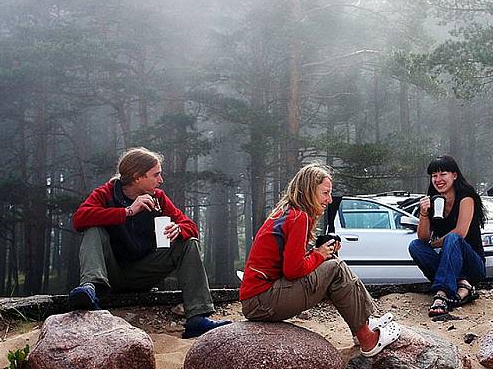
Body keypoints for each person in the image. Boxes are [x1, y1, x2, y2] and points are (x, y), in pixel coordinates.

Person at [68, 147, 231, 339]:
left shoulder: (158, 198)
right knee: (93, 229)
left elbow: (190, 226)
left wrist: (179, 229)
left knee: (189, 242)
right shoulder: (106, 194)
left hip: (144, 273)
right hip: (110, 274)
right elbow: (79, 219)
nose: (160, 180)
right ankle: (90, 288)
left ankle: (197, 317)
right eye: (156, 175)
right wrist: (127, 211)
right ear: (137, 177)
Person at [239, 163, 400, 357]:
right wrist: (319, 254)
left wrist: (320, 254)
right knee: (336, 267)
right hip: (261, 301)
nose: (329, 200)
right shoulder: (298, 217)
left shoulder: (288, 212)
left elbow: (288, 265)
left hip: (257, 299)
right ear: (308, 191)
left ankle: (364, 322)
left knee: (331, 263)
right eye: (325, 193)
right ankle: (368, 339)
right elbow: (292, 271)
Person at [409, 155, 487, 317]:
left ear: (454, 175)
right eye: (434, 176)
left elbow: (460, 232)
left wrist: (434, 244)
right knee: (415, 246)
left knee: (453, 238)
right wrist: (424, 213)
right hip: (450, 265)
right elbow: (423, 239)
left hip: (472, 264)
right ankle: (462, 285)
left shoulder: (466, 196)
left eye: (443, 174)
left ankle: (442, 294)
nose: (438, 179)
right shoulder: (433, 199)